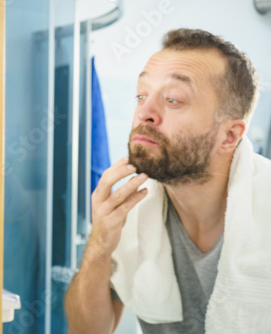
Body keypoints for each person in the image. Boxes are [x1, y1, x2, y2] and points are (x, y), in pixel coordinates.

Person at [65, 28, 271, 333]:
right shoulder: (130, 210)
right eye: (141, 95)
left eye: (173, 99)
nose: (144, 113)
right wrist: (99, 244)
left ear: (229, 136)